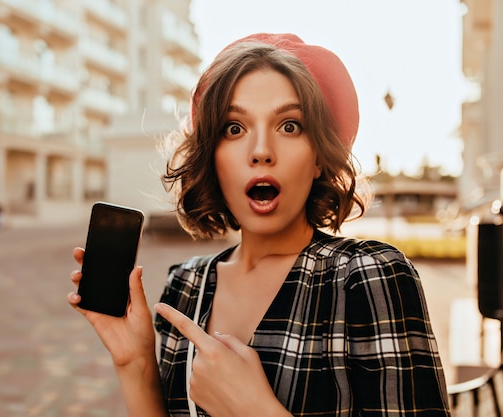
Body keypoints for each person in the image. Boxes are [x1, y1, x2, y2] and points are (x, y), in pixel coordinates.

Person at [68, 33, 451, 416]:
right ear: (213, 159)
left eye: (289, 126)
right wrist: (135, 366)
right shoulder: (184, 286)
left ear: (318, 157)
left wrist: (254, 408)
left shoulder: (367, 277)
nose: (262, 151)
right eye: (234, 129)